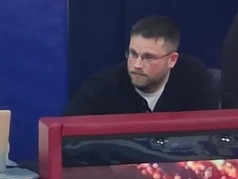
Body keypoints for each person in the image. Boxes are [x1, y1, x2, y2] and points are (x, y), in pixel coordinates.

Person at [65, 16, 219, 115]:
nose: (137, 65)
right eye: (133, 54)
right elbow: (66, 141)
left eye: (148, 57)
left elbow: (211, 139)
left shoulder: (194, 77)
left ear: (172, 60)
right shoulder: (103, 86)